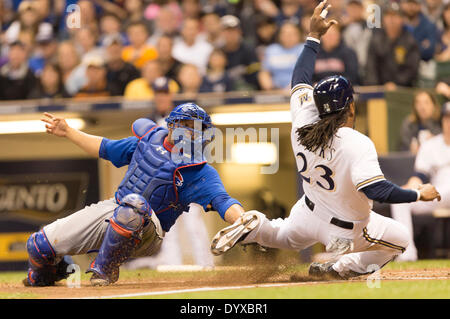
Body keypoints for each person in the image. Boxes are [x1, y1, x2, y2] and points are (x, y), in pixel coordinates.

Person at [210, 1, 441, 280]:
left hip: (306, 213)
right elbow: (378, 191)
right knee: (400, 239)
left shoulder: (304, 121)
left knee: (279, 235)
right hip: (345, 231)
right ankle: (338, 267)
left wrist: (312, 37)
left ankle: (257, 225)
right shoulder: (356, 142)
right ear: (350, 108)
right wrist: (418, 194)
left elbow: (300, 78)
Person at [24, 102, 245, 287]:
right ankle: (53, 272)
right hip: (115, 207)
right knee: (38, 245)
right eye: (186, 125)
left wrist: (244, 220)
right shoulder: (147, 141)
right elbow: (105, 147)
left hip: (150, 232)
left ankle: (105, 269)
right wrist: (69, 132)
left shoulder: (199, 169)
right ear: (171, 125)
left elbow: (223, 201)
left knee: (134, 205)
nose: (191, 131)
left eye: (197, 127)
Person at [391, 101, 450, 261]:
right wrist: (409, 189)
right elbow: (420, 175)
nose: (449, 122)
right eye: (447, 118)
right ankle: (407, 252)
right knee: (399, 200)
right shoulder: (431, 145)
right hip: (439, 194)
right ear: (443, 120)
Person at [364, 2, 421, 89]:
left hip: (402, 90)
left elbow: (411, 70)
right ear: (383, 19)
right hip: (377, 89)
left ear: (402, 19)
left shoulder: (410, 41)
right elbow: (370, 68)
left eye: (395, 16)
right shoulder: (376, 40)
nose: (391, 20)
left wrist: (396, 83)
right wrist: (374, 86)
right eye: (388, 16)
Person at [258, 22, 304, 91]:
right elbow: (264, 73)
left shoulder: (304, 49)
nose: (288, 37)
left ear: (299, 35)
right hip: (275, 90)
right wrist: (270, 88)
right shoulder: (271, 50)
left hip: (299, 90)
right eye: (284, 33)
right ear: (279, 35)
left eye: (291, 34)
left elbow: (308, 73)